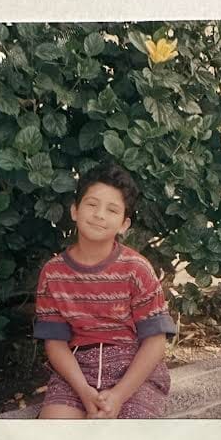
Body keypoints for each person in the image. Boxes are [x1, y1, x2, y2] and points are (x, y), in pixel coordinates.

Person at [34, 163, 176, 419]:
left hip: (132, 372)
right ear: (75, 211)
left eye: (112, 210)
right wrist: (85, 392)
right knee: (52, 435)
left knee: (122, 439)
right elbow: (55, 342)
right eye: (91, 204)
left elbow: (155, 342)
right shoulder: (53, 273)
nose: (99, 214)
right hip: (76, 371)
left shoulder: (137, 270)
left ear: (124, 224)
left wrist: (119, 395)